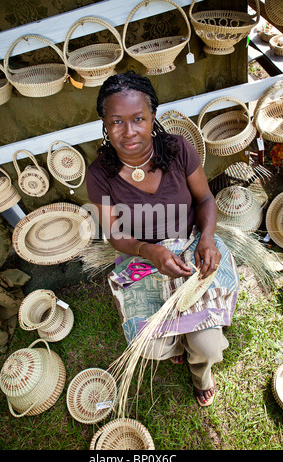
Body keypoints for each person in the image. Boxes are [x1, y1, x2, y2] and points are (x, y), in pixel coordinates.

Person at [86, 71, 239, 407]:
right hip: (141, 259)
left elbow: (205, 200)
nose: (128, 132)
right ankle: (178, 346)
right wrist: (148, 250)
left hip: (190, 249)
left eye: (138, 119)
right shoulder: (99, 174)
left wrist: (208, 239)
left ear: (152, 116)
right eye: (116, 121)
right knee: (155, 346)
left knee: (209, 347)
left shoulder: (178, 149)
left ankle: (201, 372)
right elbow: (115, 234)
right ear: (104, 123)